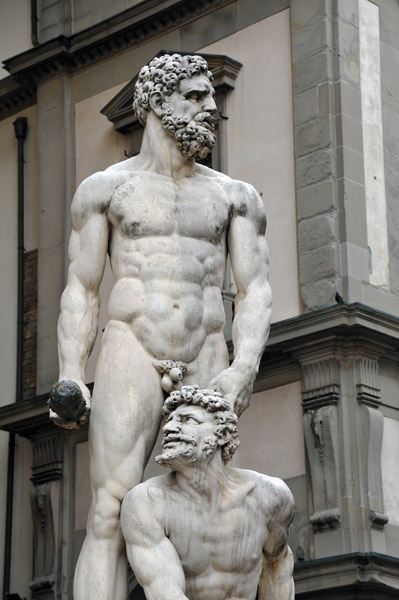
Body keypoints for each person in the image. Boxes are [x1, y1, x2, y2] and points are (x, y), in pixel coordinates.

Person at [50, 53, 272, 600]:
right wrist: (73, 375)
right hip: (132, 347)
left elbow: (255, 290)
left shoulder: (235, 196)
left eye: (211, 97)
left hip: (205, 354)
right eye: (195, 96)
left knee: (208, 506)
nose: (210, 108)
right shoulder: (105, 189)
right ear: (153, 101)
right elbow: (82, 288)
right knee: (109, 507)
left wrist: (244, 368)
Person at [121, 386, 295, 600]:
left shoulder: (269, 496)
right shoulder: (147, 503)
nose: (170, 429)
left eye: (188, 421)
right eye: (170, 421)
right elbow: (163, 589)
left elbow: (278, 568)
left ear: (222, 434)